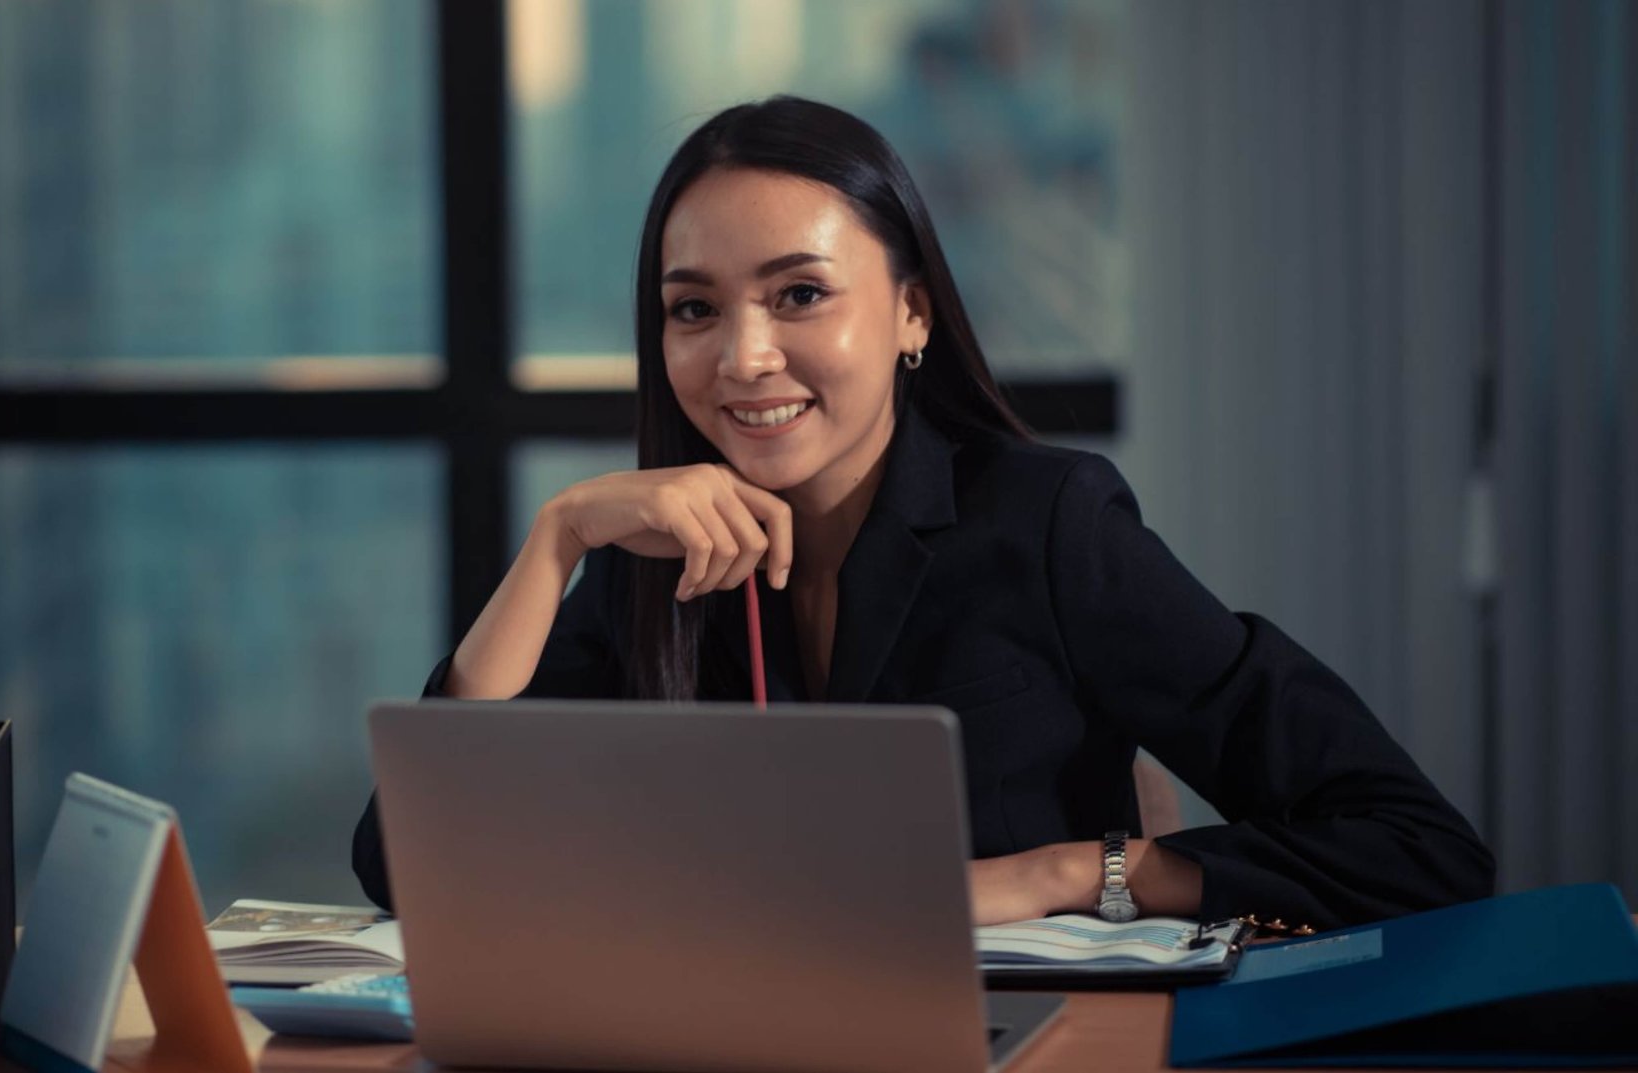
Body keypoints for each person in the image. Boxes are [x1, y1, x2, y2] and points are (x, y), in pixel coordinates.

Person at [352, 96, 1493, 930]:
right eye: (693, 307)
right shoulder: (654, 552)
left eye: (798, 294)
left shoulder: (1048, 523)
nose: (743, 358)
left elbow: (1411, 846)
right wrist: (554, 539)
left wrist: (1066, 871)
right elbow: (409, 860)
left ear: (909, 315)